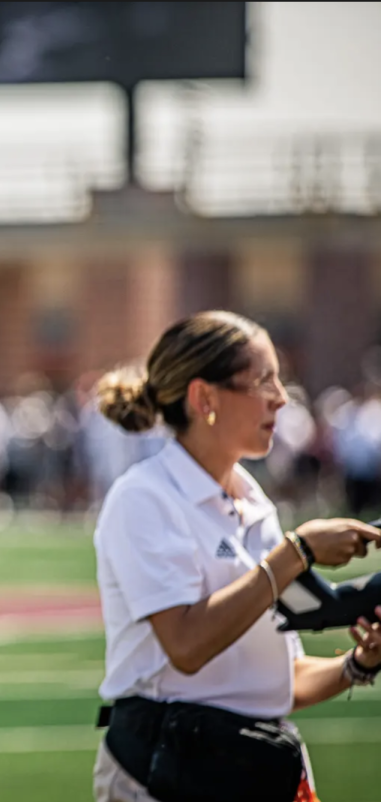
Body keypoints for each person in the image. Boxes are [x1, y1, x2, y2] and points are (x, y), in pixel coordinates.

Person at [89, 310, 381, 802]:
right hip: (164, 774)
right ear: (204, 397)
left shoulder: (253, 503)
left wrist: (361, 662)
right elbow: (186, 645)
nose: (282, 397)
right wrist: (298, 551)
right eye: (264, 380)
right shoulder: (144, 496)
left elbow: (276, 680)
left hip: (251, 768)